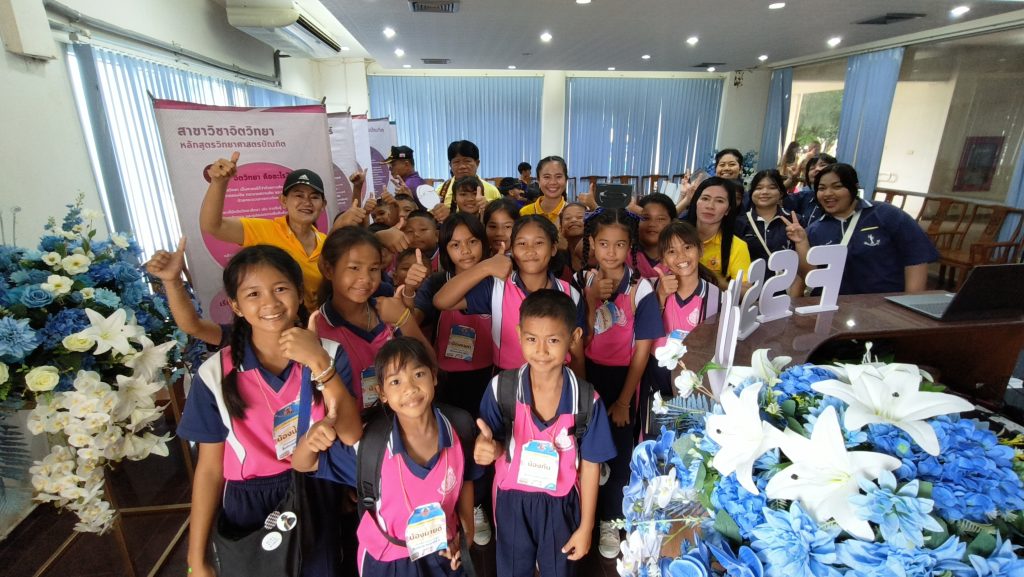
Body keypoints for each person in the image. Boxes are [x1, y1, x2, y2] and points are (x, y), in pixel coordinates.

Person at [178, 245, 363, 577]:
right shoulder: (215, 373)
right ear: (235, 305)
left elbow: (350, 433)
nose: (270, 303)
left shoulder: (330, 354)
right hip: (249, 500)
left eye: (280, 288)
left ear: (299, 293)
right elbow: (209, 470)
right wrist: (197, 558)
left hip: (315, 487)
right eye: (253, 293)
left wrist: (319, 363)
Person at [294, 337, 479, 577]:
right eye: (395, 381)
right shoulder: (371, 447)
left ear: (434, 376)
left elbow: (466, 478)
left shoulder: (459, 427)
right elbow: (303, 463)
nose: (410, 388)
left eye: (418, 375)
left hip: (444, 552)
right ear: (382, 393)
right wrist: (310, 441)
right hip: (388, 562)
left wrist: (466, 532)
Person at [474, 290, 616, 577]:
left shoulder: (586, 401)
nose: (540, 351)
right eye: (531, 339)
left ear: (574, 337)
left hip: (562, 502)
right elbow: (494, 442)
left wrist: (586, 527)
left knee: (558, 570)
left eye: (552, 340)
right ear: (518, 334)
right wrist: (487, 449)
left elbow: (591, 465)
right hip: (512, 500)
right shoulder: (502, 389)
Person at [576, 209, 662, 559]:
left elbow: (642, 350)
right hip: (586, 376)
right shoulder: (582, 281)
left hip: (624, 381)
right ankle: (582, 516)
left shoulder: (641, 288)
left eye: (620, 244)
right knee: (584, 451)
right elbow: (578, 339)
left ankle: (610, 519)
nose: (611, 252)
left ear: (630, 247)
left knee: (619, 453)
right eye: (604, 244)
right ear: (592, 244)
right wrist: (591, 298)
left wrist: (625, 400)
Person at [410, 213, 496, 546]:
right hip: (445, 380)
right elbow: (413, 319)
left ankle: (480, 505)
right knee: (452, 443)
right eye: (455, 244)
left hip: (488, 377)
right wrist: (409, 291)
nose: (466, 251)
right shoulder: (437, 282)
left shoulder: (496, 281)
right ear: (445, 249)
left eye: (472, 242)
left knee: (483, 441)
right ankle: (456, 505)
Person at [433, 215, 587, 377]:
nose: (530, 250)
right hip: (507, 379)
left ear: (553, 248)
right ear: (511, 250)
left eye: (539, 243)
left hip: (557, 379)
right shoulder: (497, 287)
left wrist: (578, 390)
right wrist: (485, 267)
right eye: (521, 243)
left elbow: (577, 355)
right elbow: (441, 301)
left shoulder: (570, 294)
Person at [312, 227, 435, 412]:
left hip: (403, 416)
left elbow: (430, 367)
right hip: (356, 426)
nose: (365, 278)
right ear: (329, 270)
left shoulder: (389, 311)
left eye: (374, 269)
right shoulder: (317, 329)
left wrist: (405, 319)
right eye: (354, 268)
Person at [199, 152, 328, 310]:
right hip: (275, 319)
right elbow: (213, 226)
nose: (306, 202)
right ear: (283, 201)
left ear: (323, 205)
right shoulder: (262, 230)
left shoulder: (327, 244)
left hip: (317, 321)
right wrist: (219, 183)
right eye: (299, 195)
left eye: (314, 197)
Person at [786, 163, 939, 295]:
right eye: (821, 188)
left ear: (854, 187)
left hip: (883, 307)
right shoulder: (815, 229)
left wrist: (908, 305)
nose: (828, 194)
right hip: (834, 309)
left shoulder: (886, 215)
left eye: (837, 187)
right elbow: (811, 276)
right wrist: (802, 242)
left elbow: (916, 257)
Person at [639, 222, 720, 436]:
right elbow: (643, 332)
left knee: (691, 440)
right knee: (656, 437)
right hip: (656, 380)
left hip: (695, 385)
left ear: (700, 250)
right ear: (663, 259)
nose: (681, 256)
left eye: (687, 247)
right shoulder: (652, 288)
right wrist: (660, 297)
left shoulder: (715, 295)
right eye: (671, 251)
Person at [145, 236, 224, 346]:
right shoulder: (241, 336)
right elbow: (193, 327)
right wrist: (172, 281)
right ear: (236, 306)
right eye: (249, 294)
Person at [683, 177, 751, 289]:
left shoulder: (737, 246)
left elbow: (745, 291)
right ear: (696, 203)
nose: (710, 206)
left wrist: (710, 278)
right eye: (705, 198)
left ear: (728, 210)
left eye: (719, 201)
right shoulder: (677, 236)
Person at [734, 170, 802, 266]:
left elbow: (803, 261)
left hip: (787, 275)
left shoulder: (795, 221)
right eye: (758, 188)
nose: (764, 192)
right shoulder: (739, 222)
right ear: (751, 193)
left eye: (772, 187)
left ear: (781, 193)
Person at [438, 141, 502, 206]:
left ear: (477, 163)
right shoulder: (440, 191)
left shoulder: (492, 191)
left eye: (467, 161)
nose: (462, 166)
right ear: (450, 165)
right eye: (456, 162)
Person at [634, 193, 677, 280]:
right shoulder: (624, 254)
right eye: (645, 218)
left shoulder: (680, 256)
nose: (652, 224)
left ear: (672, 223)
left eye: (660, 219)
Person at [786, 152, 837, 221]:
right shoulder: (805, 196)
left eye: (822, 165)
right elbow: (777, 199)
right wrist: (790, 180)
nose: (817, 169)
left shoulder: (840, 197)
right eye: (812, 168)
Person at [519, 156, 569, 224]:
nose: (553, 182)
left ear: (566, 180)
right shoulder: (525, 213)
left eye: (558, 176)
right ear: (538, 180)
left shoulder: (574, 214)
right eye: (547, 177)